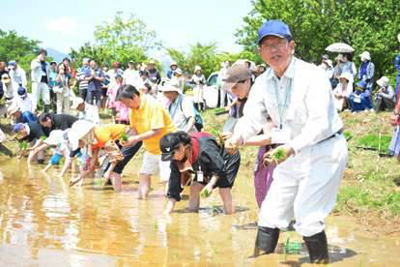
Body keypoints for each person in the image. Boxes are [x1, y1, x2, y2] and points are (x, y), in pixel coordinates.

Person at [225, 20, 347, 263]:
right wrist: (238, 135)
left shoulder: (312, 76)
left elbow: (319, 122)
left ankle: (319, 262)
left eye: (279, 43)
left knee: (308, 216)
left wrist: (292, 147)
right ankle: (259, 261)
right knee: (269, 214)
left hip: (323, 150)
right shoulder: (263, 82)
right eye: (267, 45)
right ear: (260, 52)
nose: (274, 50)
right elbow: (252, 118)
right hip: (288, 152)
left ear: (291, 45)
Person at [222, 64, 276, 208]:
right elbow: (251, 125)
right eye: (230, 89)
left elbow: (271, 136)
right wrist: (235, 136)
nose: (233, 92)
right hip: (265, 148)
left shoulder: (265, 96)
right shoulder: (246, 101)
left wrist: (239, 142)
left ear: (247, 81)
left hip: (279, 149)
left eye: (235, 87)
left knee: (273, 187)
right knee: (260, 183)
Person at [118, 84, 177, 199]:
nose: (127, 106)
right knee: (144, 174)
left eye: (127, 103)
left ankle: (169, 206)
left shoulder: (153, 105)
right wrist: (127, 140)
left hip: (167, 146)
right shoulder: (133, 109)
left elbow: (157, 131)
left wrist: (135, 139)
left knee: (166, 178)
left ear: (135, 96)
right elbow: (135, 130)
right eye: (124, 104)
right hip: (151, 148)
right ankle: (142, 202)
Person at [161, 131, 240, 214]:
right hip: (201, 165)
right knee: (195, 187)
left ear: (181, 147)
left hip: (225, 157)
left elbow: (219, 168)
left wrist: (210, 184)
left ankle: (229, 217)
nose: (172, 158)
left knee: (224, 190)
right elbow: (175, 182)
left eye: (172, 155)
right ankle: (192, 215)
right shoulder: (176, 158)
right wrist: (168, 210)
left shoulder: (205, 149)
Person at [67, 120, 142, 192]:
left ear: (84, 136)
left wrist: (109, 172)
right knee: (106, 172)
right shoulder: (93, 141)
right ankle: (116, 195)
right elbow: (90, 165)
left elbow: (116, 154)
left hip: (130, 135)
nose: (79, 146)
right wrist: (78, 178)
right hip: (119, 141)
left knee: (115, 169)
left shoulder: (100, 134)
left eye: (79, 143)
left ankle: (118, 198)